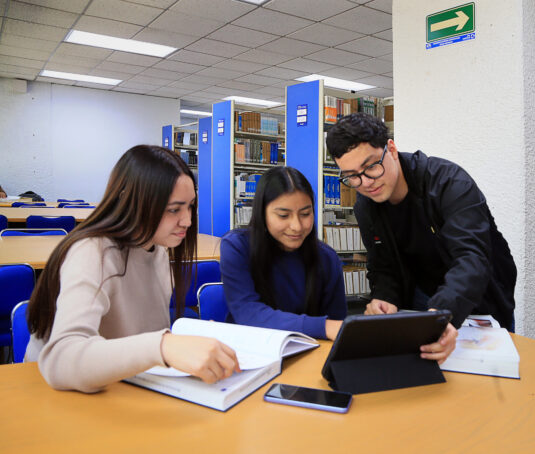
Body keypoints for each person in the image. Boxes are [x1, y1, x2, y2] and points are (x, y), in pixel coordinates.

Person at [26, 145, 239, 392]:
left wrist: (184, 341)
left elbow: (139, 340)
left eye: (190, 206)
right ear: (133, 202)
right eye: (174, 209)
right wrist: (163, 346)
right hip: (54, 396)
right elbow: (62, 360)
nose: (188, 221)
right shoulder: (92, 252)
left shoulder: (157, 250)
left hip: (121, 387)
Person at [326, 113, 517, 360]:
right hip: (421, 298)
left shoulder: (449, 183)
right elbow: (383, 265)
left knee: (493, 376)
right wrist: (384, 298)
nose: (366, 183)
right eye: (352, 175)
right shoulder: (366, 206)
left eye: (371, 166)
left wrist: (442, 314)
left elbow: (472, 258)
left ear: (391, 149)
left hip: (477, 296)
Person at [220, 166, 347, 341]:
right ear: (262, 213)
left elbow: (338, 325)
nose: (297, 226)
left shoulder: (327, 258)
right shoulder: (236, 247)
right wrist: (323, 326)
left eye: (305, 214)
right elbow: (248, 313)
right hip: (249, 348)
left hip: (309, 350)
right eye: (283, 215)